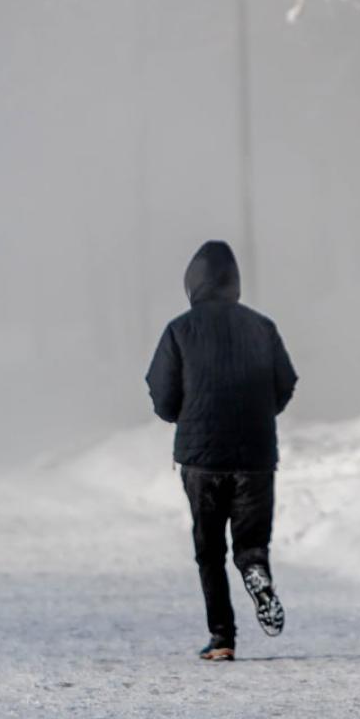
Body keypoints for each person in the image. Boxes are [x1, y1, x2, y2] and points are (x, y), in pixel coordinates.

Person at [145, 240, 298, 661]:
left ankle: (222, 638)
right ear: (235, 283)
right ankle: (255, 571)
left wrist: (188, 417)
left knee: (209, 550)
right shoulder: (261, 327)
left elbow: (161, 394)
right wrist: (258, 415)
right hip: (255, 457)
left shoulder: (179, 329)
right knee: (250, 544)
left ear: (192, 284)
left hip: (201, 460)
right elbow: (284, 383)